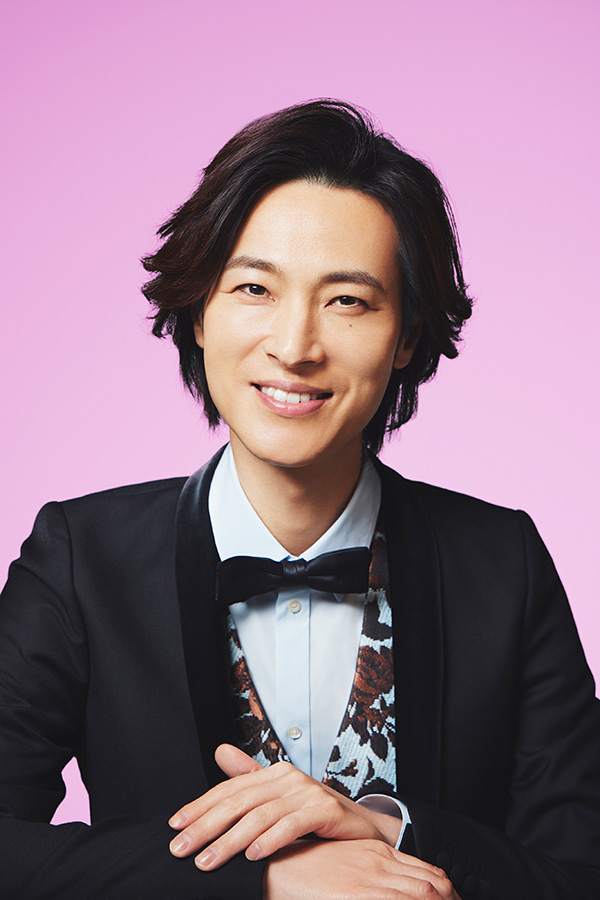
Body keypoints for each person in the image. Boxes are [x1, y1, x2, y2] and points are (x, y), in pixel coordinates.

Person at [1, 100, 598, 900]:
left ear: (407, 335)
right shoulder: (80, 559)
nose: (294, 346)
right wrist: (266, 880)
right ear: (200, 311)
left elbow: (580, 873)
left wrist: (391, 831)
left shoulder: (503, 565)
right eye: (254, 288)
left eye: (347, 300)